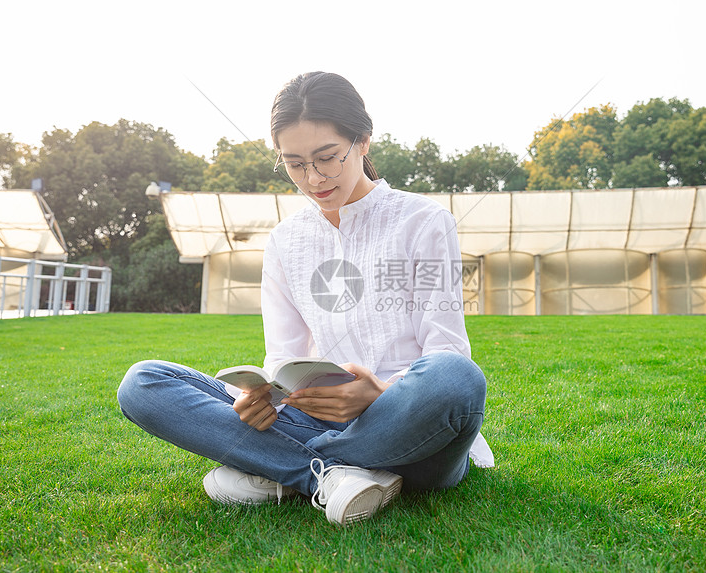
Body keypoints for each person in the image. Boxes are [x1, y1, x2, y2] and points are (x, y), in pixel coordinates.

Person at [117, 71, 492, 526]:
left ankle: (278, 469)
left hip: (409, 422)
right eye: (294, 164)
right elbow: (283, 359)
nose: (313, 178)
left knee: (456, 378)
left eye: (327, 158)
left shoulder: (423, 221)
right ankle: (327, 476)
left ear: (364, 142)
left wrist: (378, 394)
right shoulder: (285, 241)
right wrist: (260, 397)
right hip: (314, 416)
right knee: (144, 383)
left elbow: (447, 351)